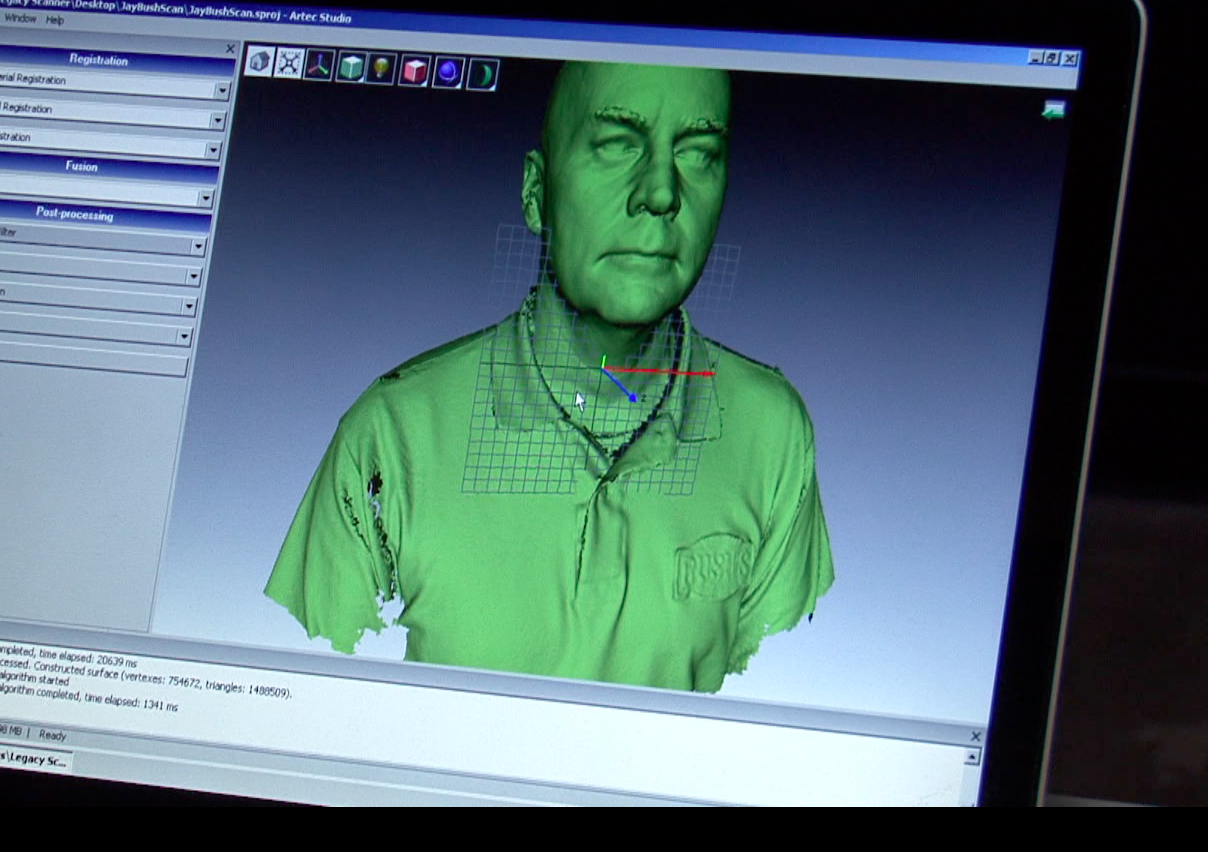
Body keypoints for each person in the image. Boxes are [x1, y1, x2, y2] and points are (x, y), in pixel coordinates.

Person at [265, 62, 834, 694]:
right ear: (537, 194)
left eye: (698, 153)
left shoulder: (771, 435)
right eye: (617, 144)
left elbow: (779, 708)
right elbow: (305, 707)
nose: (661, 192)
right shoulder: (393, 438)